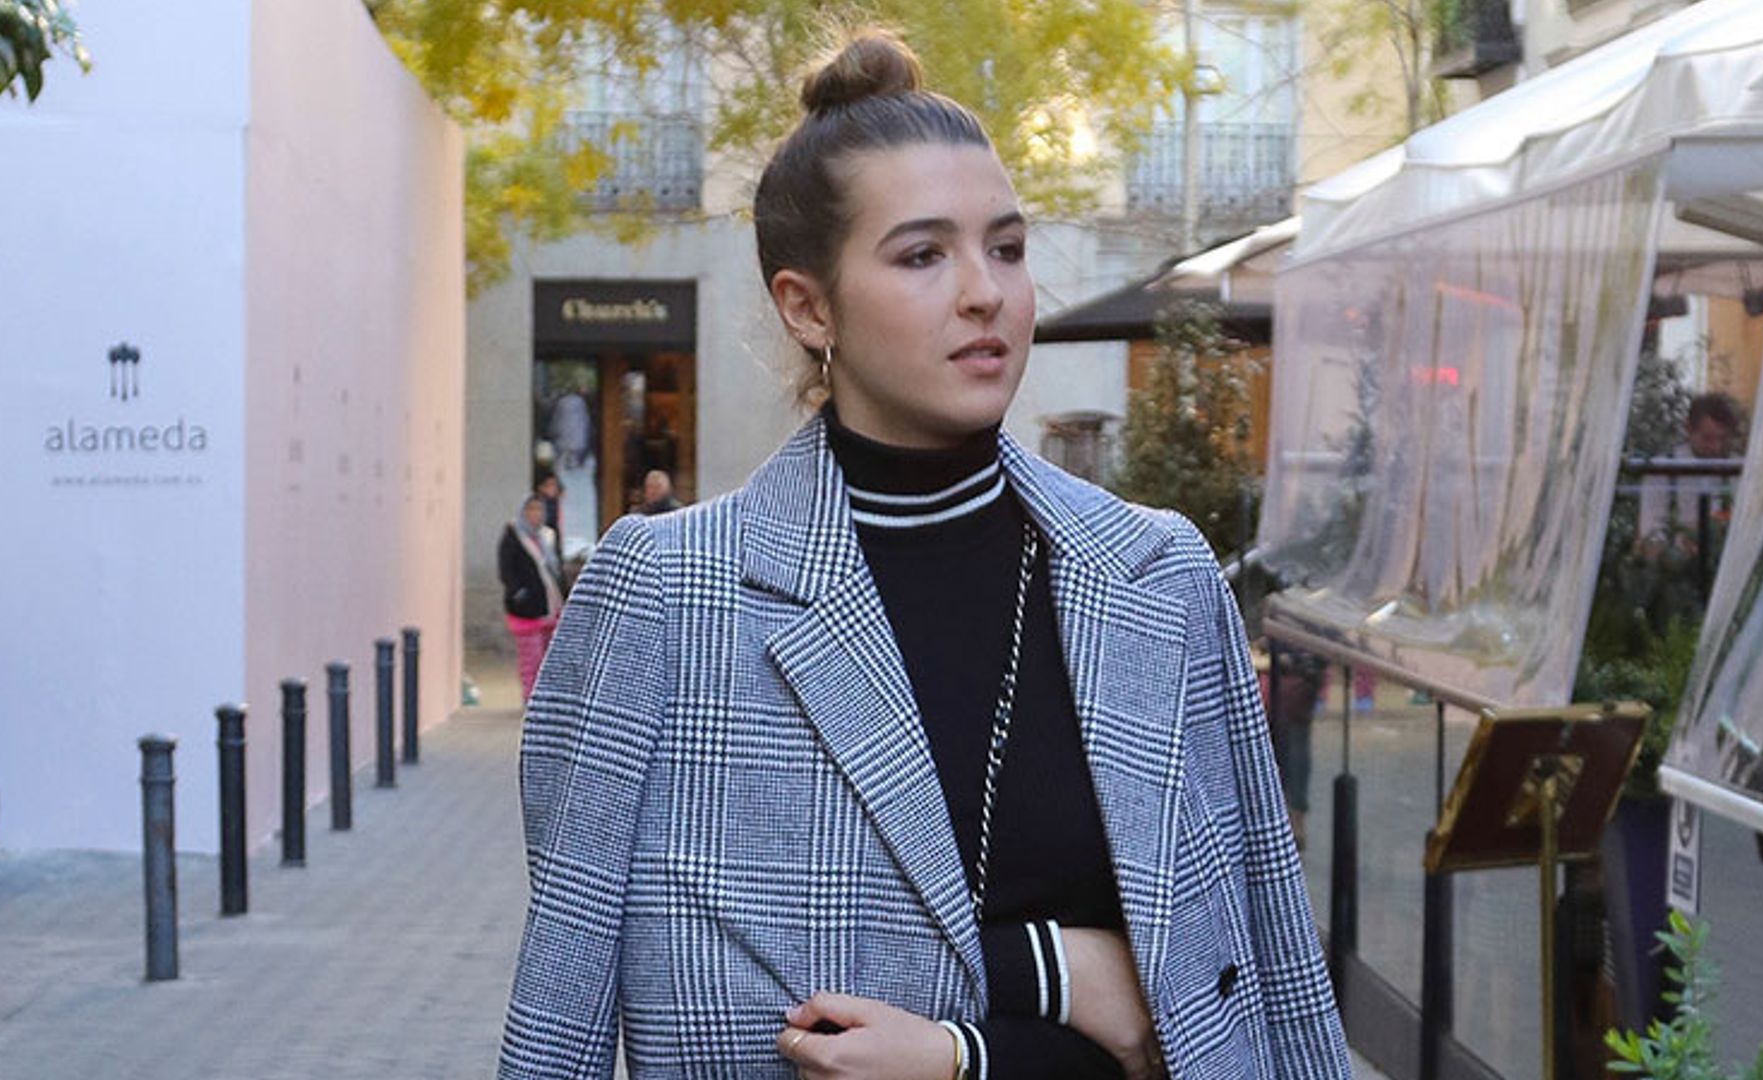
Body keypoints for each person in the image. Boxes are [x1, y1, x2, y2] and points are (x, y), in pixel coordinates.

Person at [500, 31, 1349, 1080]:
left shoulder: (1157, 578)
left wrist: (961, 1050)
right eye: (921, 255)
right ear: (810, 308)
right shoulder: (670, 598)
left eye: (1006, 246)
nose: (984, 291)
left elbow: (1246, 988)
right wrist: (1056, 970)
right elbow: (627, 1008)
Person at [1638, 391, 1740, 550]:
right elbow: (1650, 534)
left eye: (1722, 439)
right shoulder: (1663, 469)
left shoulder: (1738, 469)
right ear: (1689, 429)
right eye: (1707, 438)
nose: (1716, 447)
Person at [497, 495, 564, 703]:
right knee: (531, 658)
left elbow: (556, 568)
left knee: (549, 658)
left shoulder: (548, 536)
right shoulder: (514, 535)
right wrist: (519, 593)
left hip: (550, 605)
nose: (536, 515)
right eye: (531, 510)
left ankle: (546, 699)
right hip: (527, 610)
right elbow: (506, 569)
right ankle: (531, 699)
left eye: (540, 510)